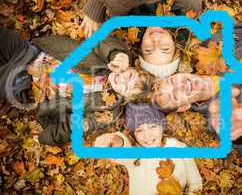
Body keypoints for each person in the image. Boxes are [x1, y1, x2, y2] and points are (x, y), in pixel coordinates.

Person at [151, 19, 242, 171]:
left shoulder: (212, 46)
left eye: (172, 81)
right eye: (174, 96)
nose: (180, 86)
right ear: (183, 107)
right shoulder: (221, 118)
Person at [0, 27, 153, 146]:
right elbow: (104, 44)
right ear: (132, 67)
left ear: (125, 98)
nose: (123, 80)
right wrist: (118, 55)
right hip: (34, 53)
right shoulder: (114, 61)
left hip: (29, 82)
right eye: (131, 76)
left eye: (126, 88)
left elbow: (74, 127)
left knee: (7, 78)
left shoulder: (109, 111)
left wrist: (45, 137)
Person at [94, 103, 203, 195]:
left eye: (153, 127)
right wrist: (115, 140)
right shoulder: (136, 155)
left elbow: (196, 184)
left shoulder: (179, 148)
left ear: (162, 126)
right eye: (139, 131)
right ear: (134, 134)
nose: (147, 136)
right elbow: (122, 147)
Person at [81, 0, 202, 37]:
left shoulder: (121, 14)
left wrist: (98, 4)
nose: (156, 41)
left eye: (148, 51)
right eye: (165, 50)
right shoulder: (189, 5)